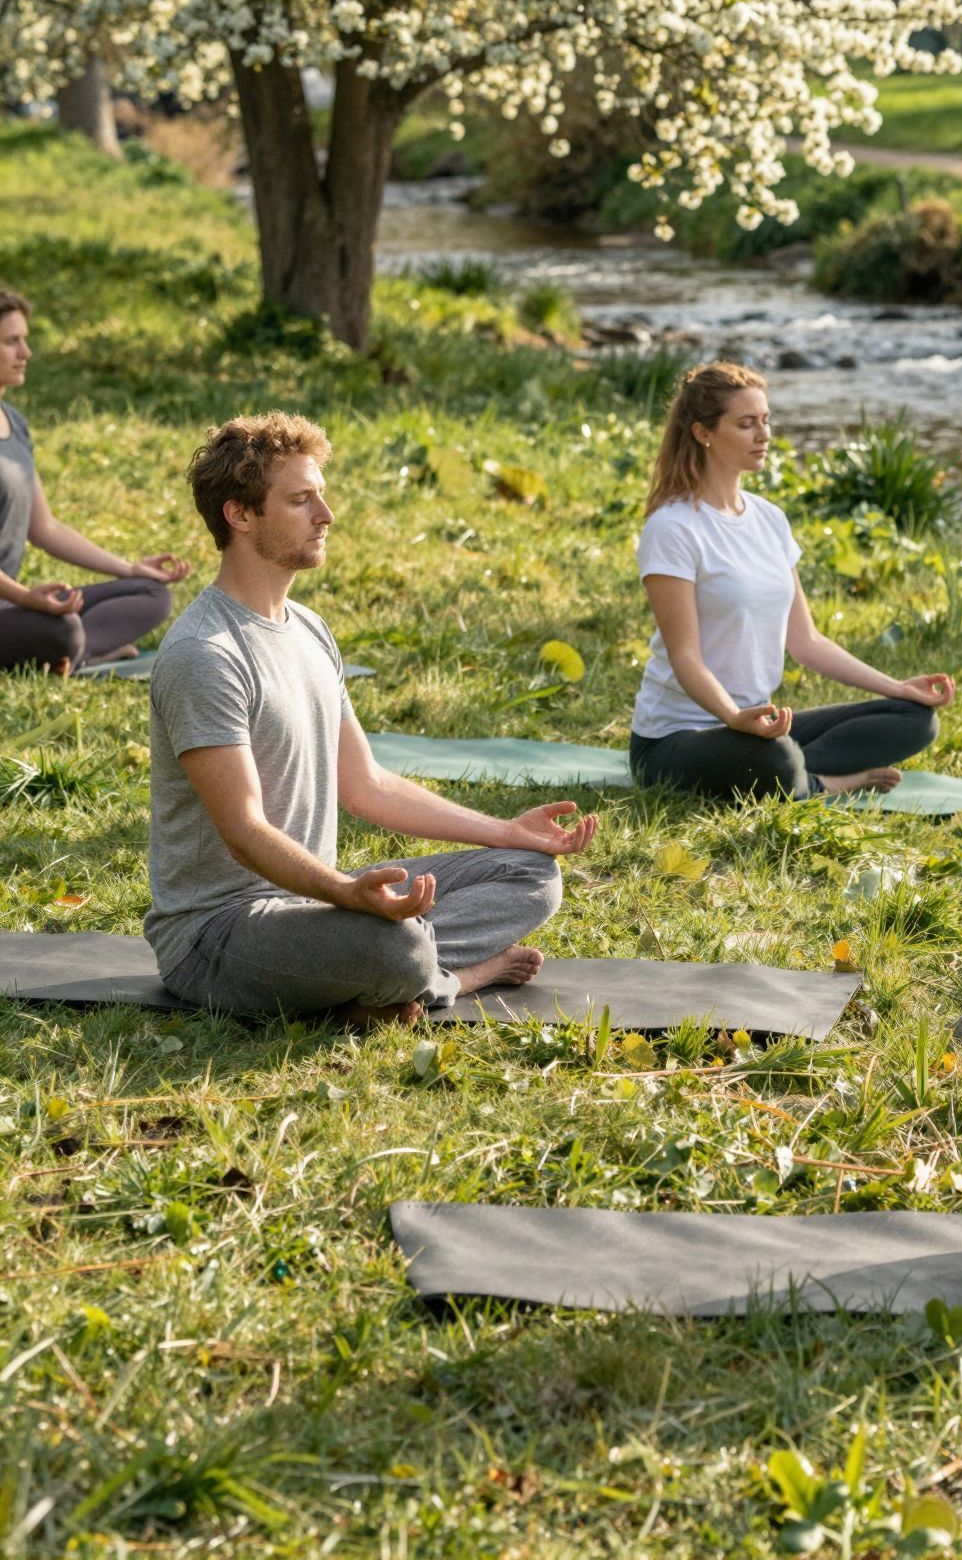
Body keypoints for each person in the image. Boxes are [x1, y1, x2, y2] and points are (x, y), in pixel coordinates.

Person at [147, 410, 597, 1027]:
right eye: (302, 500)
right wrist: (343, 894)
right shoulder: (205, 654)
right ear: (240, 513)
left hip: (315, 904)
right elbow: (244, 832)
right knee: (396, 944)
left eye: (321, 497)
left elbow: (368, 786)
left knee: (530, 874)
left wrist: (506, 831)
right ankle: (453, 977)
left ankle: (388, 986)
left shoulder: (308, 629)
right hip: (220, 933)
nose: (325, 516)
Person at [629, 361, 954, 802]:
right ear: (704, 432)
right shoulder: (673, 528)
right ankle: (824, 783)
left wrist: (898, 687)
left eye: (765, 421)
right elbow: (686, 658)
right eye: (745, 424)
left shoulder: (770, 520)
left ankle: (797, 773)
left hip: (758, 726)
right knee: (776, 759)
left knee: (915, 719)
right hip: (677, 738)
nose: (763, 435)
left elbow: (807, 642)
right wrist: (732, 715)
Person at [0, 286, 188, 672]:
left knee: (152, 593)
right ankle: (82, 650)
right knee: (64, 627)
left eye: (25, 340)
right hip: (14, 603)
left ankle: (73, 653)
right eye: (11, 341)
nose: (26, 353)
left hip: (15, 606)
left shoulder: (14, 424)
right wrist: (27, 598)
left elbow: (46, 528)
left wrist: (129, 568)